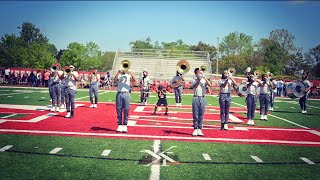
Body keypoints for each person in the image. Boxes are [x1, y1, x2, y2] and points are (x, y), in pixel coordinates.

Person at [114, 68, 138, 133]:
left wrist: (131, 73)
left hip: (127, 93)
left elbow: (136, 81)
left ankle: (125, 125)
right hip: (119, 93)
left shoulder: (129, 75)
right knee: (119, 109)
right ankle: (119, 124)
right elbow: (114, 80)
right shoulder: (119, 75)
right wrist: (118, 72)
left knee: (126, 110)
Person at [191, 68, 211, 136]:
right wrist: (199, 79)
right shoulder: (194, 80)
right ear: (195, 74)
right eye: (197, 73)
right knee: (195, 114)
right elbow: (195, 86)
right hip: (196, 97)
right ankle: (195, 129)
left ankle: (200, 129)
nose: (198, 74)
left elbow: (210, 85)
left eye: (199, 72)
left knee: (201, 115)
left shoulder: (204, 80)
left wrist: (204, 77)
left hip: (202, 97)